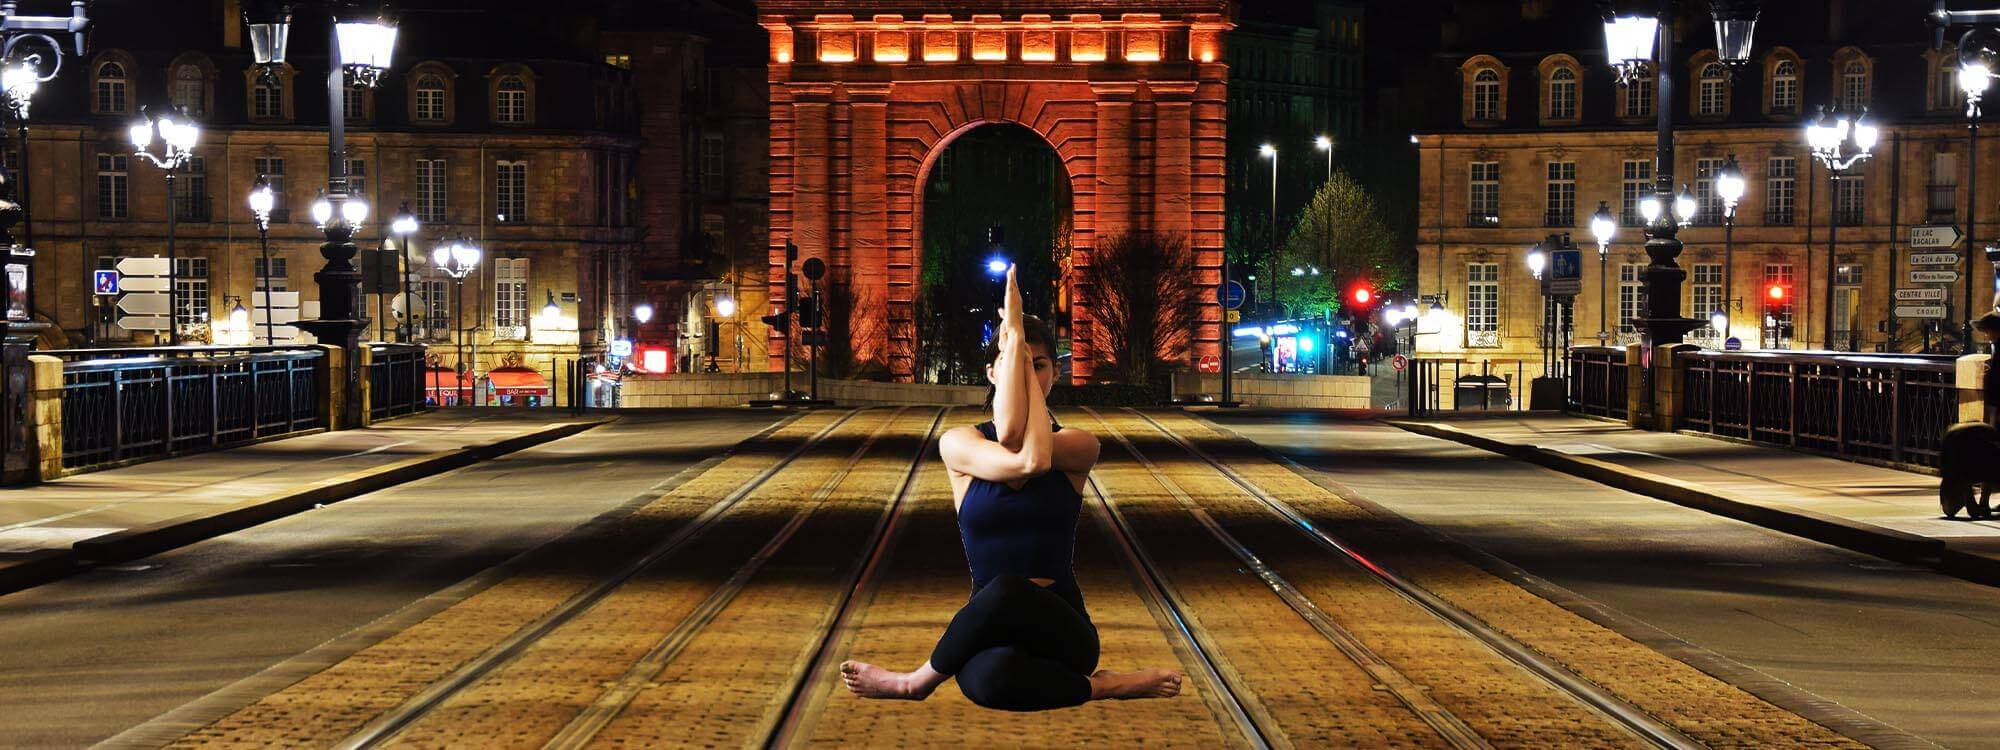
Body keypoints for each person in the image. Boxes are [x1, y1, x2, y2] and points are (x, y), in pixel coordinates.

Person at [841, 265, 1184, 711]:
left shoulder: (1080, 445)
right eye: (1012, 364)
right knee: (991, 682)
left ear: (1054, 376)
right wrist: (1017, 350)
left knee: (1006, 588)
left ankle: (914, 683)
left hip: (1061, 625)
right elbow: (1010, 442)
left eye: (1039, 367)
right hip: (988, 626)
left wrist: (1017, 353)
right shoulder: (958, 443)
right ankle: (1106, 687)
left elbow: (1034, 458)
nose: (1027, 374)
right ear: (990, 373)